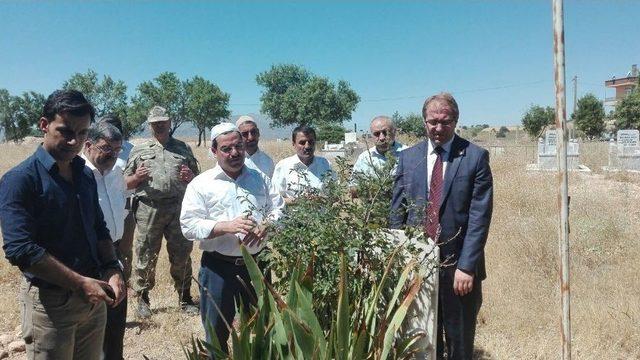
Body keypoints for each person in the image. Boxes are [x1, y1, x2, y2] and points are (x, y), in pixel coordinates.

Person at [0, 90, 125, 359]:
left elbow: (99, 228)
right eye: (65, 131)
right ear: (44, 125)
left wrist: (112, 268)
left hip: (93, 300)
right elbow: (21, 250)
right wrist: (80, 283)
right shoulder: (20, 180)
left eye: (82, 134)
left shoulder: (84, 173)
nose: (74, 141)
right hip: (51, 305)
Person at [390, 93, 493, 360]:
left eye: (445, 122)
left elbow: (479, 217)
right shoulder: (408, 158)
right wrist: (398, 261)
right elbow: (396, 214)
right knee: (422, 337)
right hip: (417, 264)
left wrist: (467, 266)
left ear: (455, 121)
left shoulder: (475, 157)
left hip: (458, 268)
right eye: (432, 121)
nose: (438, 128)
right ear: (424, 121)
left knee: (459, 340)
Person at [180, 123, 284, 354]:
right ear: (214, 151)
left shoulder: (260, 179)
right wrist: (225, 226)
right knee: (216, 332)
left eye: (238, 146)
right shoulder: (201, 184)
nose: (234, 153)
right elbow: (188, 226)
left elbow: (279, 210)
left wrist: (266, 224)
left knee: (263, 328)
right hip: (218, 269)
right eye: (226, 149)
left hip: (257, 266)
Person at [124, 105, 199, 318]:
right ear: (149, 126)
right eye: (155, 123)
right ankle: (143, 298)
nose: (159, 126)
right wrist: (137, 177)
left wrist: (190, 177)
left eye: (163, 122)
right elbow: (124, 182)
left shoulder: (183, 148)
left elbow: (198, 178)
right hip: (149, 208)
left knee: (182, 253)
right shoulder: (139, 150)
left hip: (178, 207)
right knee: (145, 253)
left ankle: (185, 297)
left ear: (170, 123)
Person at [81, 122, 128, 360]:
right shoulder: (77, 174)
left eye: (118, 149)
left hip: (115, 254)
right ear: (88, 145)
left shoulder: (117, 170)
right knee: (91, 329)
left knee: (115, 324)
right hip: (88, 258)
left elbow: (121, 204)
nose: (113, 155)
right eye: (106, 148)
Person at [97, 114, 135, 281]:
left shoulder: (132, 150)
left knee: (124, 246)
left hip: (125, 203)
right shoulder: (92, 148)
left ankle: (124, 281)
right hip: (101, 204)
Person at [272, 125, 335, 202]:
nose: (307, 146)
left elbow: (335, 195)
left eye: (311, 142)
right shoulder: (283, 166)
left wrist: (320, 199)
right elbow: (275, 199)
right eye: (302, 143)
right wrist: (299, 201)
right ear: (293, 144)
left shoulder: (325, 164)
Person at [350, 115, 406, 197]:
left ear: (394, 132)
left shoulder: (408, 153)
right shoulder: (365, 158)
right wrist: (377, 189)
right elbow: (353, 188)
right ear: (371, 136)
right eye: (377, 134)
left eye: (385, 132)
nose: (382, 137)